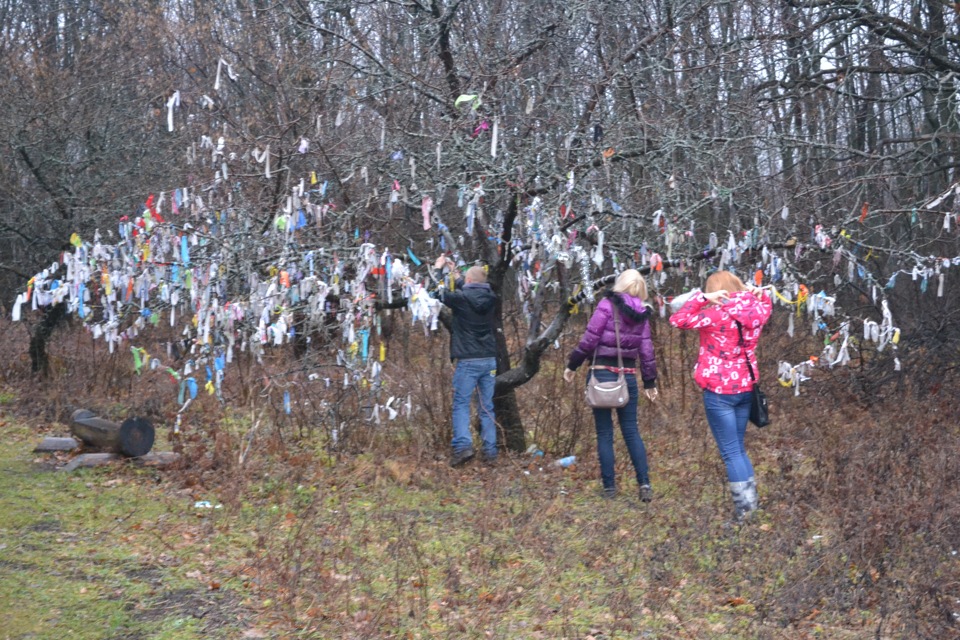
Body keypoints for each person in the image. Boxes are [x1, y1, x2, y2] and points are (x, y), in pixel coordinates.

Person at [668, 270, 772, 520]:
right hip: (746, 388)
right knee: (738, 449)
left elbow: (678, 319)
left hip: (719, 391)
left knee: (731, 452)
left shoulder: (714, 314)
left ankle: (746, 512)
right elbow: (767, 305)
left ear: (717, 290)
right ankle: (751, 506)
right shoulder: (756, 309)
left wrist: (703, 297)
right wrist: (759, 294)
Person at [563, 269, 659, 501]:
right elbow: (646, 351)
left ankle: (609, 488)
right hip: (627, 377)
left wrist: (573, 364)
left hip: (601, 375)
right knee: (631, 431)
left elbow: (590, 339)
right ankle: (644, 484)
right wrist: (649, 381)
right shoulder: (643, 313)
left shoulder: (606, 305)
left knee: (604, 432)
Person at [434, 255, 499, 467]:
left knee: (461, 404)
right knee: (486, 406)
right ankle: (490, 451)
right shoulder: (491, 298)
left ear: (469, 282)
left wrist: (438, 270)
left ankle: (463, 447)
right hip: (489, 359)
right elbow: (472, 290)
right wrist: (457, 274)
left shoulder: (461, 299)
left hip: (468, 360)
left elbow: (439, 293)